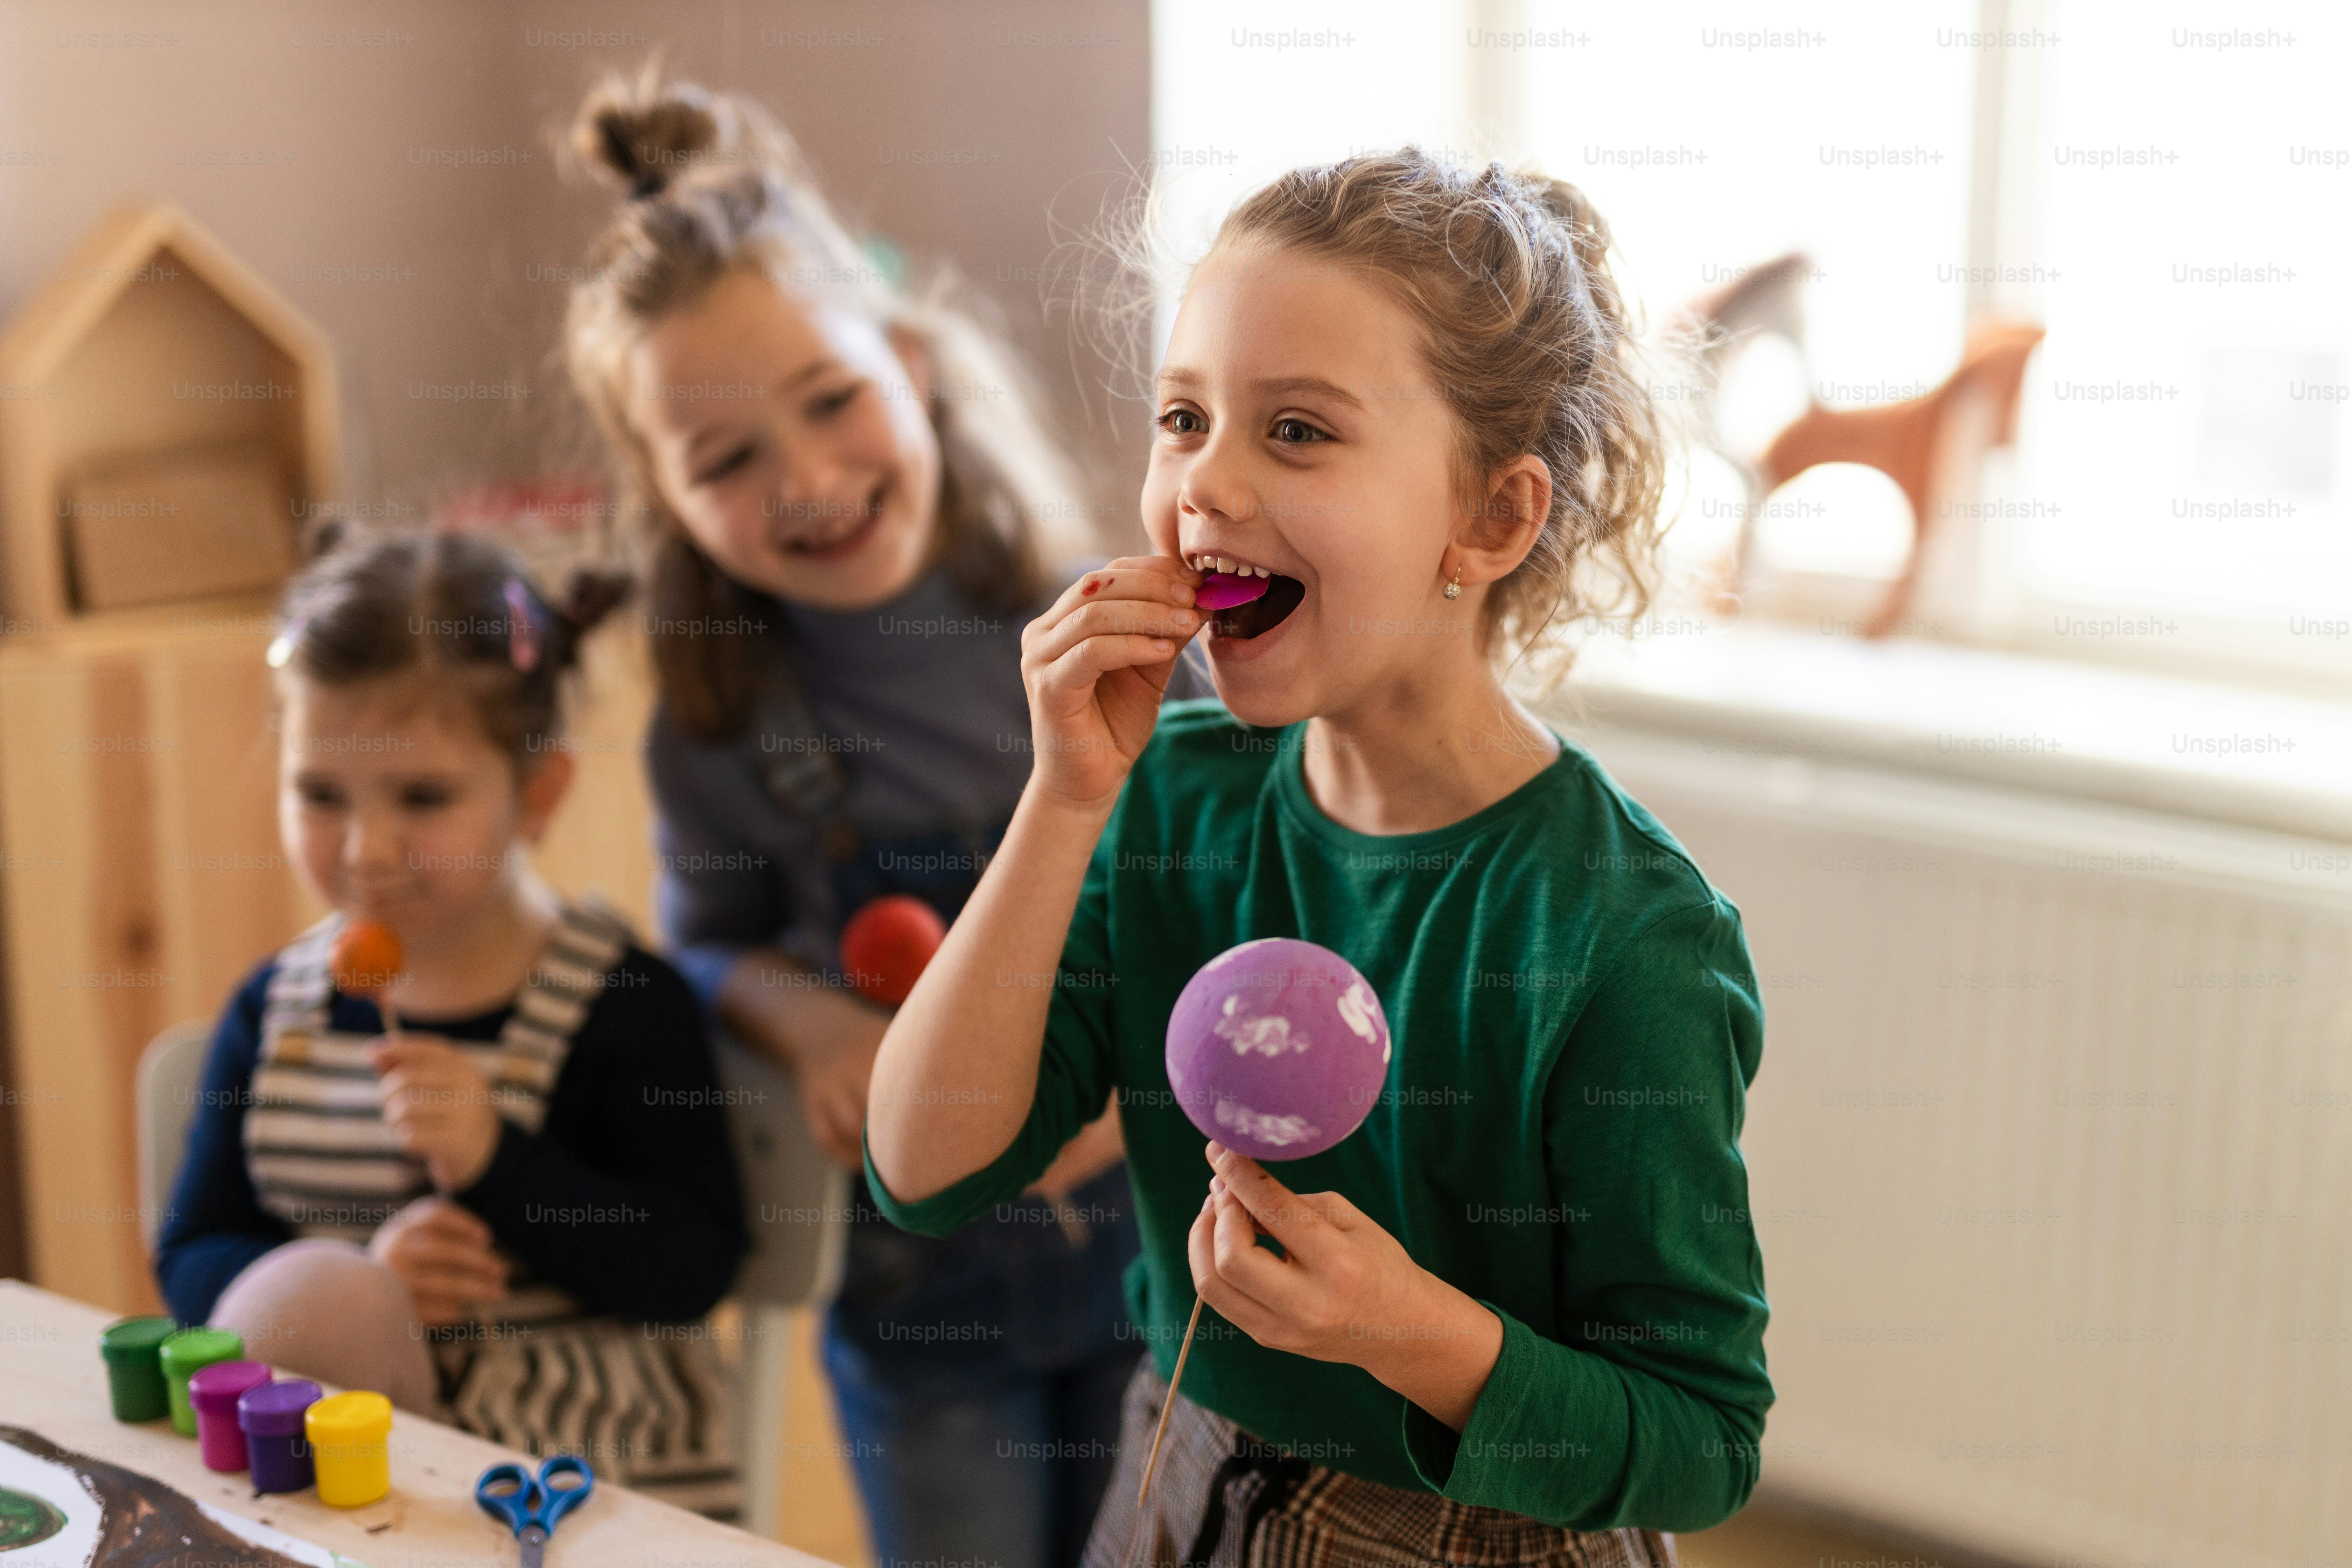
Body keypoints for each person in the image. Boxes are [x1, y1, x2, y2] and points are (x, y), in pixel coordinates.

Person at [865, 150, 1776, 1568]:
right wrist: (1060, 805)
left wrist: (1414, 1334)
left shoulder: (1623, 933)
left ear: (1491, 519)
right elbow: (922, 1169)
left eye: (1297, 431)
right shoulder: (1164, 800)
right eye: (1184, 416)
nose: (1207, 479)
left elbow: (1703, 1438)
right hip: (1179, 1471)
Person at [558, 68, 1156, 1568]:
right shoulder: (722, 724)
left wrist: (1124, 1087)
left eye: (831, 401)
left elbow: (1226, 893)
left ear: (910, 361)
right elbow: (705, 947)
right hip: (923, 1306)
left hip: (1160, 1267)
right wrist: (807, 1025)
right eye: (727, 459)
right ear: (665, 492)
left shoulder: (1094, 632)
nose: (809, 478)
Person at [155, 530, 749, 1518]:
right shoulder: (275, 1010)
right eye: (319, 794)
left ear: (538, 794)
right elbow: (192, 1257)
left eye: (423, 798)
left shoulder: (623, 1004)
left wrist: (498, 1164)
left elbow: (692, 1266)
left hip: (575, 1485)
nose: (366, 848)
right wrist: (357, 1290)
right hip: (340, 1488)